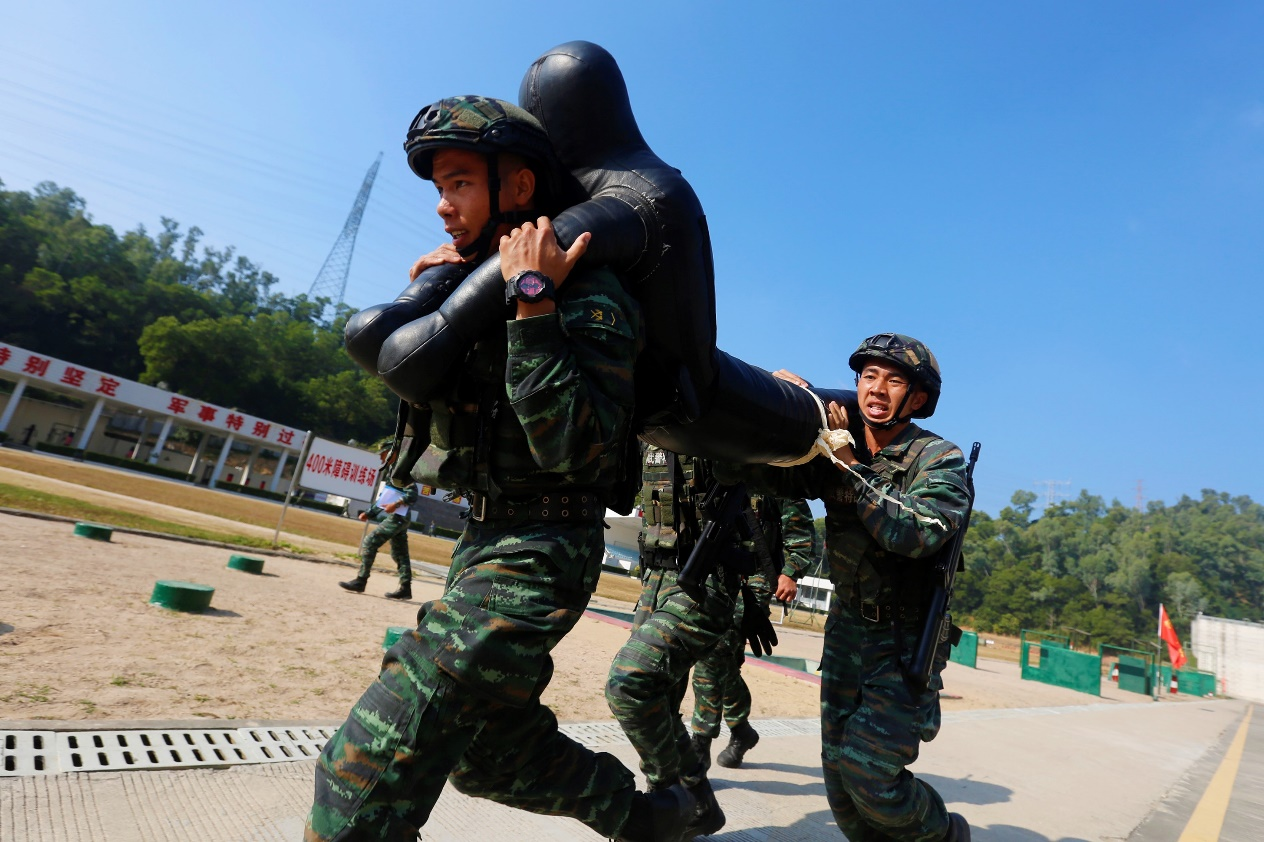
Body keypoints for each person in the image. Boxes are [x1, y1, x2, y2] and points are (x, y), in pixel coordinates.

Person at [307, 96, 695, 842]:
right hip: (480, 544)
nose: (444, 206)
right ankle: (648, 818)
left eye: (460, 183)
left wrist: (534, 302)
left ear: (518, 188)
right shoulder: (474, 283)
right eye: (439, 190)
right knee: (488, 754)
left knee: (361, 772)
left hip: (542, 551)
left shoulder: (588, 292)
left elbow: (577, 451)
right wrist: (432, 294)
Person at [719, 333, 973, 842]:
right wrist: (771, 407)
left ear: (917, 398)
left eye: (893, 380)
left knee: (871, 776)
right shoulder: (837, 443)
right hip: (847, 633)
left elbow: (915, 533)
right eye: (868, 376)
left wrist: (851, 465)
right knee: (838, 782)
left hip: (904, 641)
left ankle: (946, 833)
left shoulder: (936, 460)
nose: (876, 389)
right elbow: (762, 476)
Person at [605, 444, 781, 838]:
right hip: (654, 579)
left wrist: (758, 592)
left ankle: (668, 804)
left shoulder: (711, 411)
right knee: (659, 702)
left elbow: (761, 517)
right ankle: (697, 802)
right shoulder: (645, 420)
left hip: (705, 580)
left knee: (632, 681)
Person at [689, 494, 816, 770]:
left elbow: (801, 531)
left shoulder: (774, 472)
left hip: (757, 575)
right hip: (716, 569)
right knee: (725, 660)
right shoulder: (720, 465)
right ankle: (741, 728)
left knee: (714, 652)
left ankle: (700, 744)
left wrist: (791, 572)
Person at [339, 467, 419, 600]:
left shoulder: (401, 472)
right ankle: (405, 589)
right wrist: (369, 514)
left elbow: (412, 495)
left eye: (385, 453)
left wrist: (396, 504)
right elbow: (384, 499)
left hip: (398, 518)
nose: (383, 457)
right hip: (398, 517)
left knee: (370, 542)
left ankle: (361, 580)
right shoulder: (392, 471)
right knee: (400, 553)